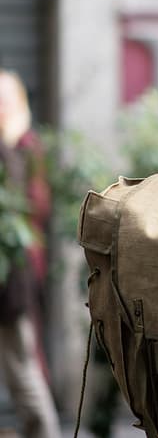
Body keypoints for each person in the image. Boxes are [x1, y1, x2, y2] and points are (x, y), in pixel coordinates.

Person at [0, 69, 60, 438]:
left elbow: (33, 209)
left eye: (4, 99)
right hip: (15, 273)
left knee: (23, 366)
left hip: (15, 277)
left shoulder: (21, 146)